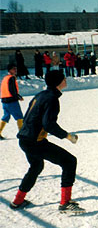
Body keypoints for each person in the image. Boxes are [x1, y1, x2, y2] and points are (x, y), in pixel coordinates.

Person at [9, 70, 85, 214]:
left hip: (25, 139)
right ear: (58, 82)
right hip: (34, 142)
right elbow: (49, 124)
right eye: (63, 78)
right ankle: (65, 203)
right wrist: (67, 136)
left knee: (36, 166)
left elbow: (29, 117)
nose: (66, 80)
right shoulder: (51, 99)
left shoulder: (41, 95)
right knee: (69, 161)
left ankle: (18, 201)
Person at [0, 63, 24, 140]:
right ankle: (21, 133)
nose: (15, 70)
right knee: (19, 116)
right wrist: (18, 96)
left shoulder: (5, 78)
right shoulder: (12, 78)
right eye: (14, 69)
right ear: (10, 70)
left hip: (4, 100)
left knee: (6, 116)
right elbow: (12, 89)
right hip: (11, 101)